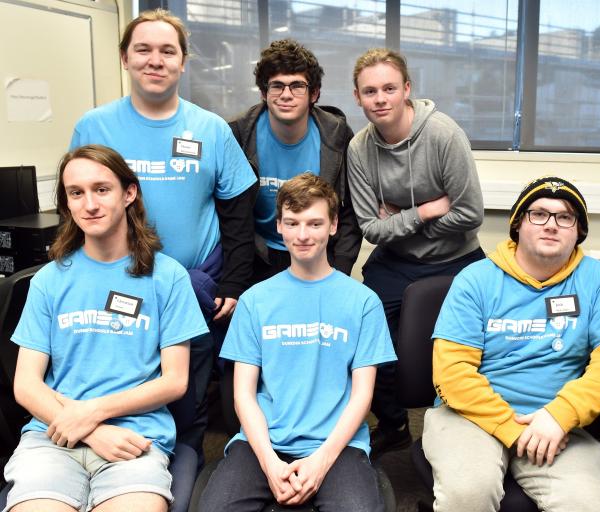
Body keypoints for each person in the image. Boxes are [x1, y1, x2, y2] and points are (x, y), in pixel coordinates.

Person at [70, 9, 258, 459]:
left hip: (194, 284)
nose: (156, 60)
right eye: (144, 50)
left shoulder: (210, 128)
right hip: (122, 280)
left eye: (167, 51)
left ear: (183, 62)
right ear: (124, 59)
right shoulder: (95, 126)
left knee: (188, 392)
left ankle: (181, 465)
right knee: (129, 380)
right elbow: (78, 202)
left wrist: (234, 283)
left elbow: (238, 211)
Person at [2, 145, 209, 512]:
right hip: (54, 437)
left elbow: (175, 381)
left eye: (102, 189)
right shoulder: (49, 281)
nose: (90, 204)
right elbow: (26, 384)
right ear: (66, 204)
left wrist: (92, 411)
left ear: (129, 194)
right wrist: (92, 429)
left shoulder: (169, 277)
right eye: (76, 193)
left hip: (134, 439)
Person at [423, 176, 600, 511]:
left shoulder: (596, 280)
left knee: (586, 502)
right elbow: (452, 373)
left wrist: (560, 415)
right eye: (539, 214)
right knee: (469, 493)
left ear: (578, 232)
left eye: (565, 217)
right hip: (469, 416)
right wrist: (513, 431)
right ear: (518, 224)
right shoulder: (476, 280)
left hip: (557, 422)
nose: (551, 225)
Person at [199, 173, 396, 511]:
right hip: (263, 441)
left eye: (314, 223)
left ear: (333, 225)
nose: (303, 235)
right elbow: (243, 394)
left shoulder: (363, 302)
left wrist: (320, 463)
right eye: (292, 223)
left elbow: (363, 396)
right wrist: (270, 464)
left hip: (337, 443)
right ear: (279, 226)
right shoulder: (254, 300)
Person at [347, 47, 485, 457]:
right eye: (370, 91)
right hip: (394, 262)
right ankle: (392, 426)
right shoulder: (359, 149)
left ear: (407, 89)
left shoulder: (444, 135)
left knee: (466, 345)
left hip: (456, 259)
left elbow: (470, 214)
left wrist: (400, 222)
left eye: (389, 88)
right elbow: (371, 228)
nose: (380, 99)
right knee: (366, 336)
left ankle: (463, 427)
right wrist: (424, 210)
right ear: (357, 97)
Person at [229, 38, 362, 283]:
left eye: (297, 86)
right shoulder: (238, 135)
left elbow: (350, 212)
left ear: (314, 93)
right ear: (263, 93)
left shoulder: (338, 136)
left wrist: (340, 269)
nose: (286, 95)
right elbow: (230, 214)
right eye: (277, 86)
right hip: (258, 259)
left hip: (321, 258)